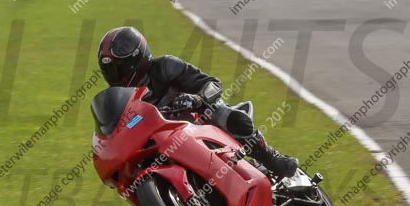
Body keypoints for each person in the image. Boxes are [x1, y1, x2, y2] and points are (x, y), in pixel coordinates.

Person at [97, 26, 299, 178]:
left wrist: (197, 99)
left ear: (137, 58)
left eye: (119, 67)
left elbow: (212, 84)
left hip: (199, 120)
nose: (116, 74)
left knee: (231, 117)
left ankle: (271, 159)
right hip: (163, 141)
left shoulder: (165, 66)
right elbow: (115, 132)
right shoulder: (117, 99)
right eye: (110, 69)